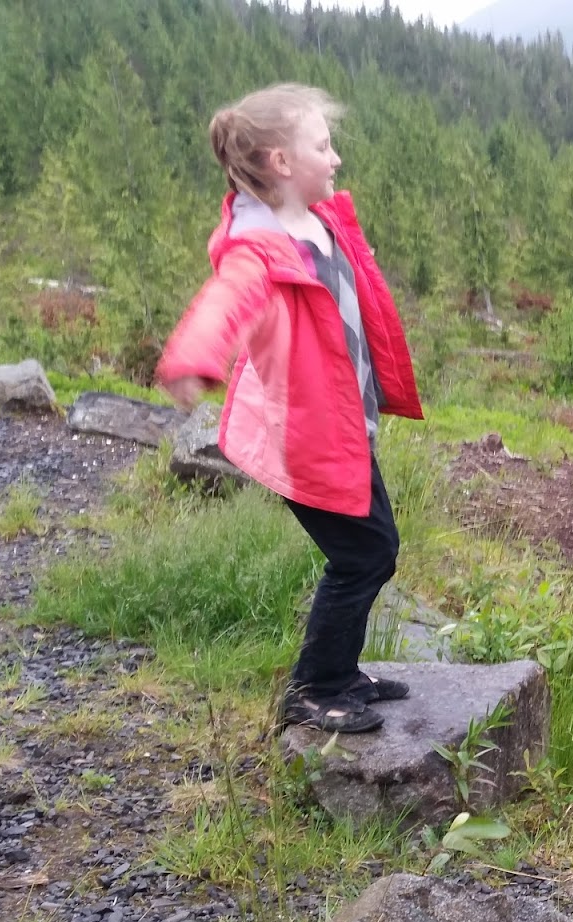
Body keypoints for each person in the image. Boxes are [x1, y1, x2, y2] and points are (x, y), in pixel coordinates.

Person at [155, 84, 423, 733]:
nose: (335, 159)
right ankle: (314, 687)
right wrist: (194, 359)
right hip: (306, 437)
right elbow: (227, 300)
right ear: (280, 161)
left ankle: (341, 671)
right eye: (322, 146)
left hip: (346, 428)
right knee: (363, 556)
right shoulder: (261, 248)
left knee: (377, 551)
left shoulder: (320, 221)